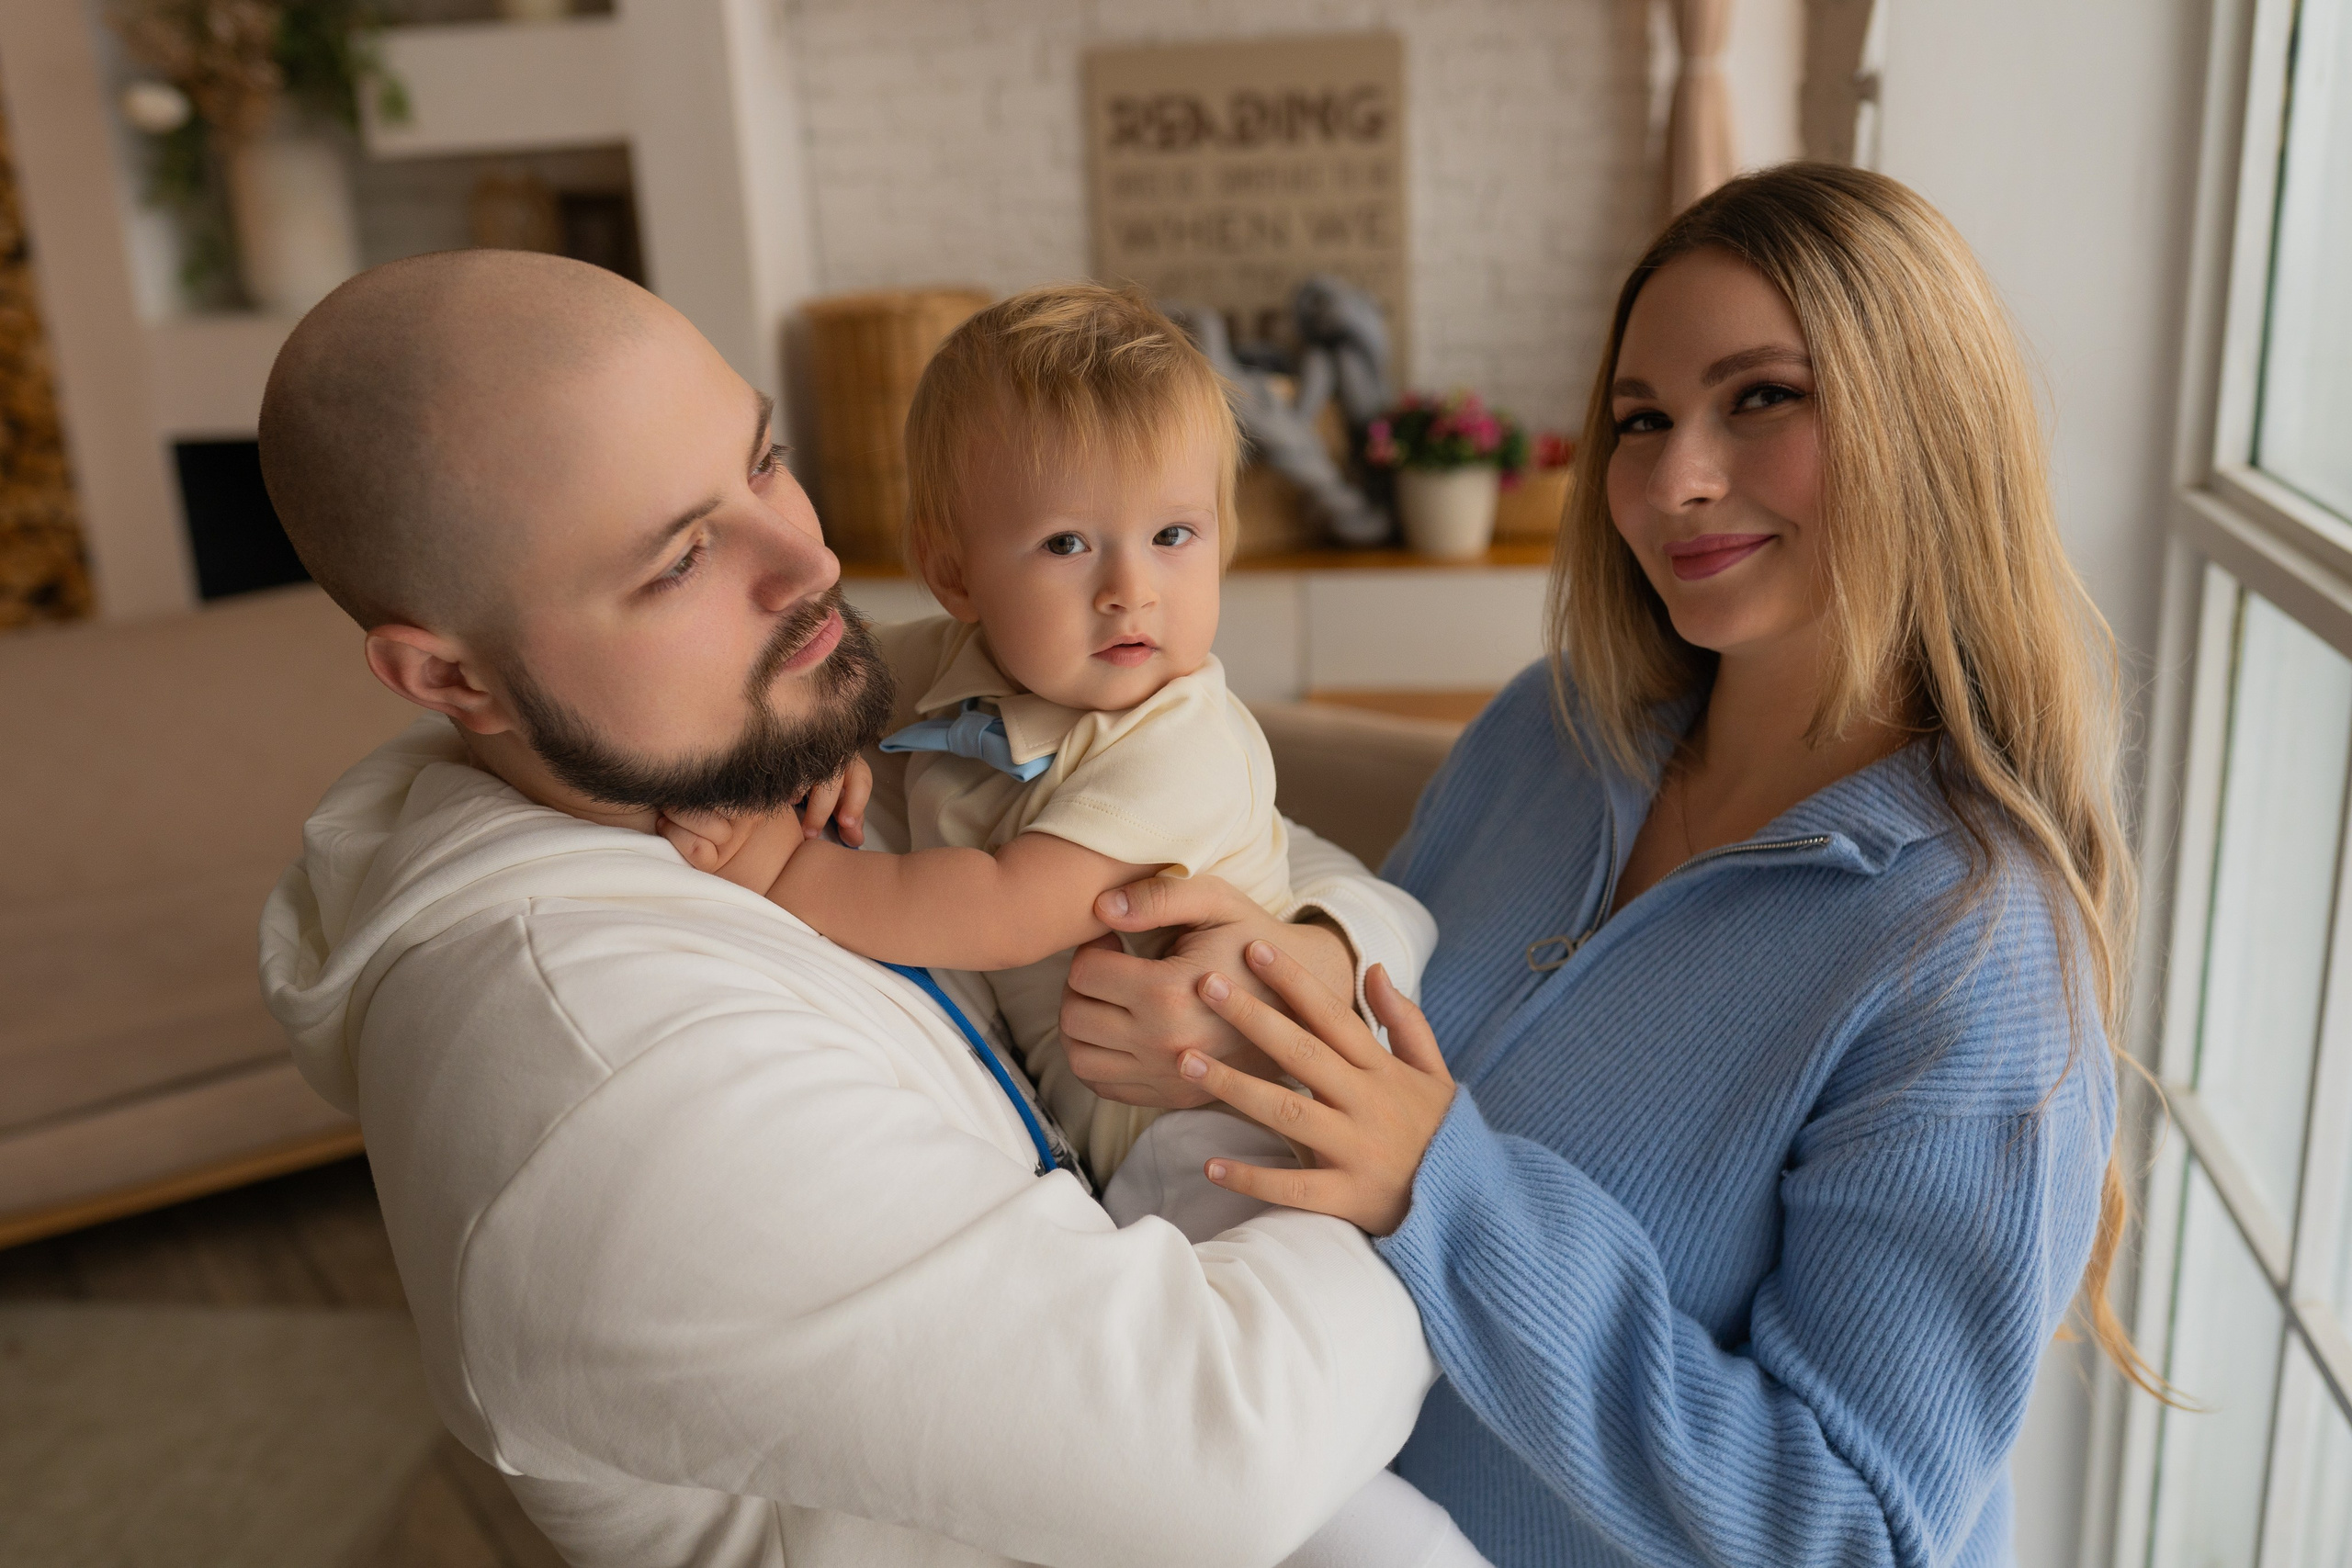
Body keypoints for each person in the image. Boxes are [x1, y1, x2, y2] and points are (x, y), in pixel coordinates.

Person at [252, 248, 1443, 1568]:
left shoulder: (734, 748)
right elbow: (1241, 1456)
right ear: (451, 677)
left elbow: (1292, 852)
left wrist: (1308, 961)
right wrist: (1416, 1178)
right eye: (683, 559)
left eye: (763, 460)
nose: (810, 560)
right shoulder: (604, 1078)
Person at [1067, 163, 2151, 1566]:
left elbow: (1854, 1537)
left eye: (1761, 396)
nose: (1675, 481)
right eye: (1640, 420)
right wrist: (1256, 986)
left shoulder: (1970, 948)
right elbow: (1379, 1043)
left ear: (1924, 421)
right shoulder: (1557, 726)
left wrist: (1445, 1197)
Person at [659, 280, 1492, 1568]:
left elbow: (997, 910)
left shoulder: (1181, 737)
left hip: (1244, 1123)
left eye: (1175, 536)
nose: (1129, 594)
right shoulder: (952, 662)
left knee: (1273, 1479)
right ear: (955, 570)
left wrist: (784, 868)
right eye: (1065, 546)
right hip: (1136, 1136)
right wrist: (806, 750)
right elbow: (825, 682)